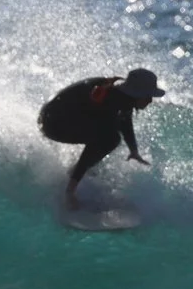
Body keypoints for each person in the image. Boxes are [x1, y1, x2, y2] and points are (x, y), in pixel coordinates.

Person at [38, 68, 167, 204]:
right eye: (148, 96)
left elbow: (125, 121)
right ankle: (72, 183)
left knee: (109, 135)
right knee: (110, 138)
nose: (150, 101)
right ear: (137, 94)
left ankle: (77, 172)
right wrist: (71, 190)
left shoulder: (120, 96)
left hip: (54, 117)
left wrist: (133, 150)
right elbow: (96, 142)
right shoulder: (109, 102)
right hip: (51, 124)